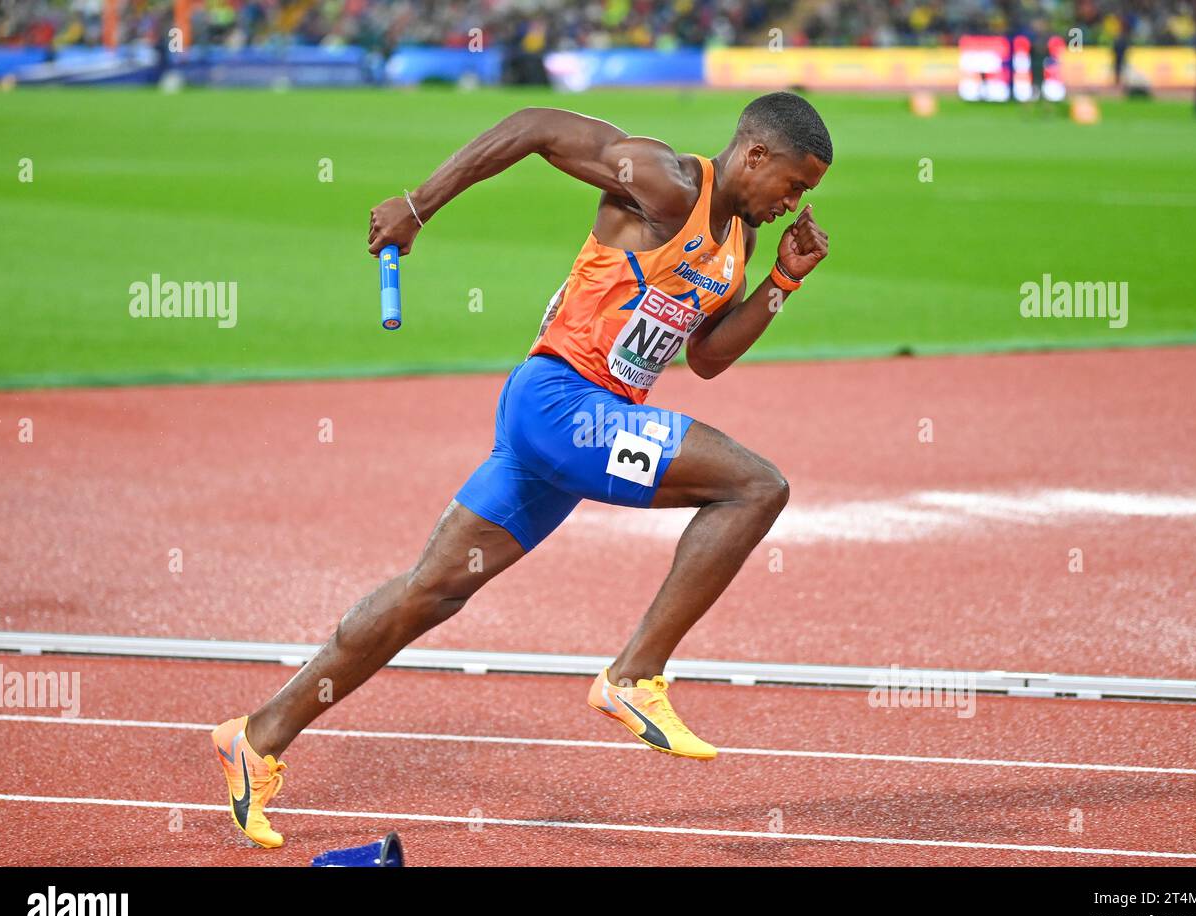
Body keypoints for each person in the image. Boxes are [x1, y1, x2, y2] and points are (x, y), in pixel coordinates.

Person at [211, 91, 831, 848]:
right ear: (755, 154)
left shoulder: (733, 249)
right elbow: (536, 127)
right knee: (755, 486)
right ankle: (634, 676)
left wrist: (782, 282)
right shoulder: (667, 184)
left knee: (429, 593)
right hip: (562, 407)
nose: (792, 204)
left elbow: (704, 358)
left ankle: (258, 736)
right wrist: (419, 203)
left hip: (576, 436)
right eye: (793, 186)